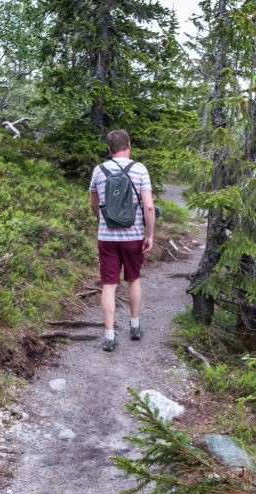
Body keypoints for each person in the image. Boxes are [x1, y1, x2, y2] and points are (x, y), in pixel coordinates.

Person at [89, 129, 156, 352]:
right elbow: (148, 206)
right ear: (129, 146)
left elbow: (93, 203)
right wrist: (150, 234)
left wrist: (104, 221)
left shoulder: (98, 171)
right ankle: (135, 326)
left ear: (109, 149)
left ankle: (109, 336)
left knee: (108, 285)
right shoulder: (140, 169)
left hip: (107, 238)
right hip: (133, 236)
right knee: (134, 279)